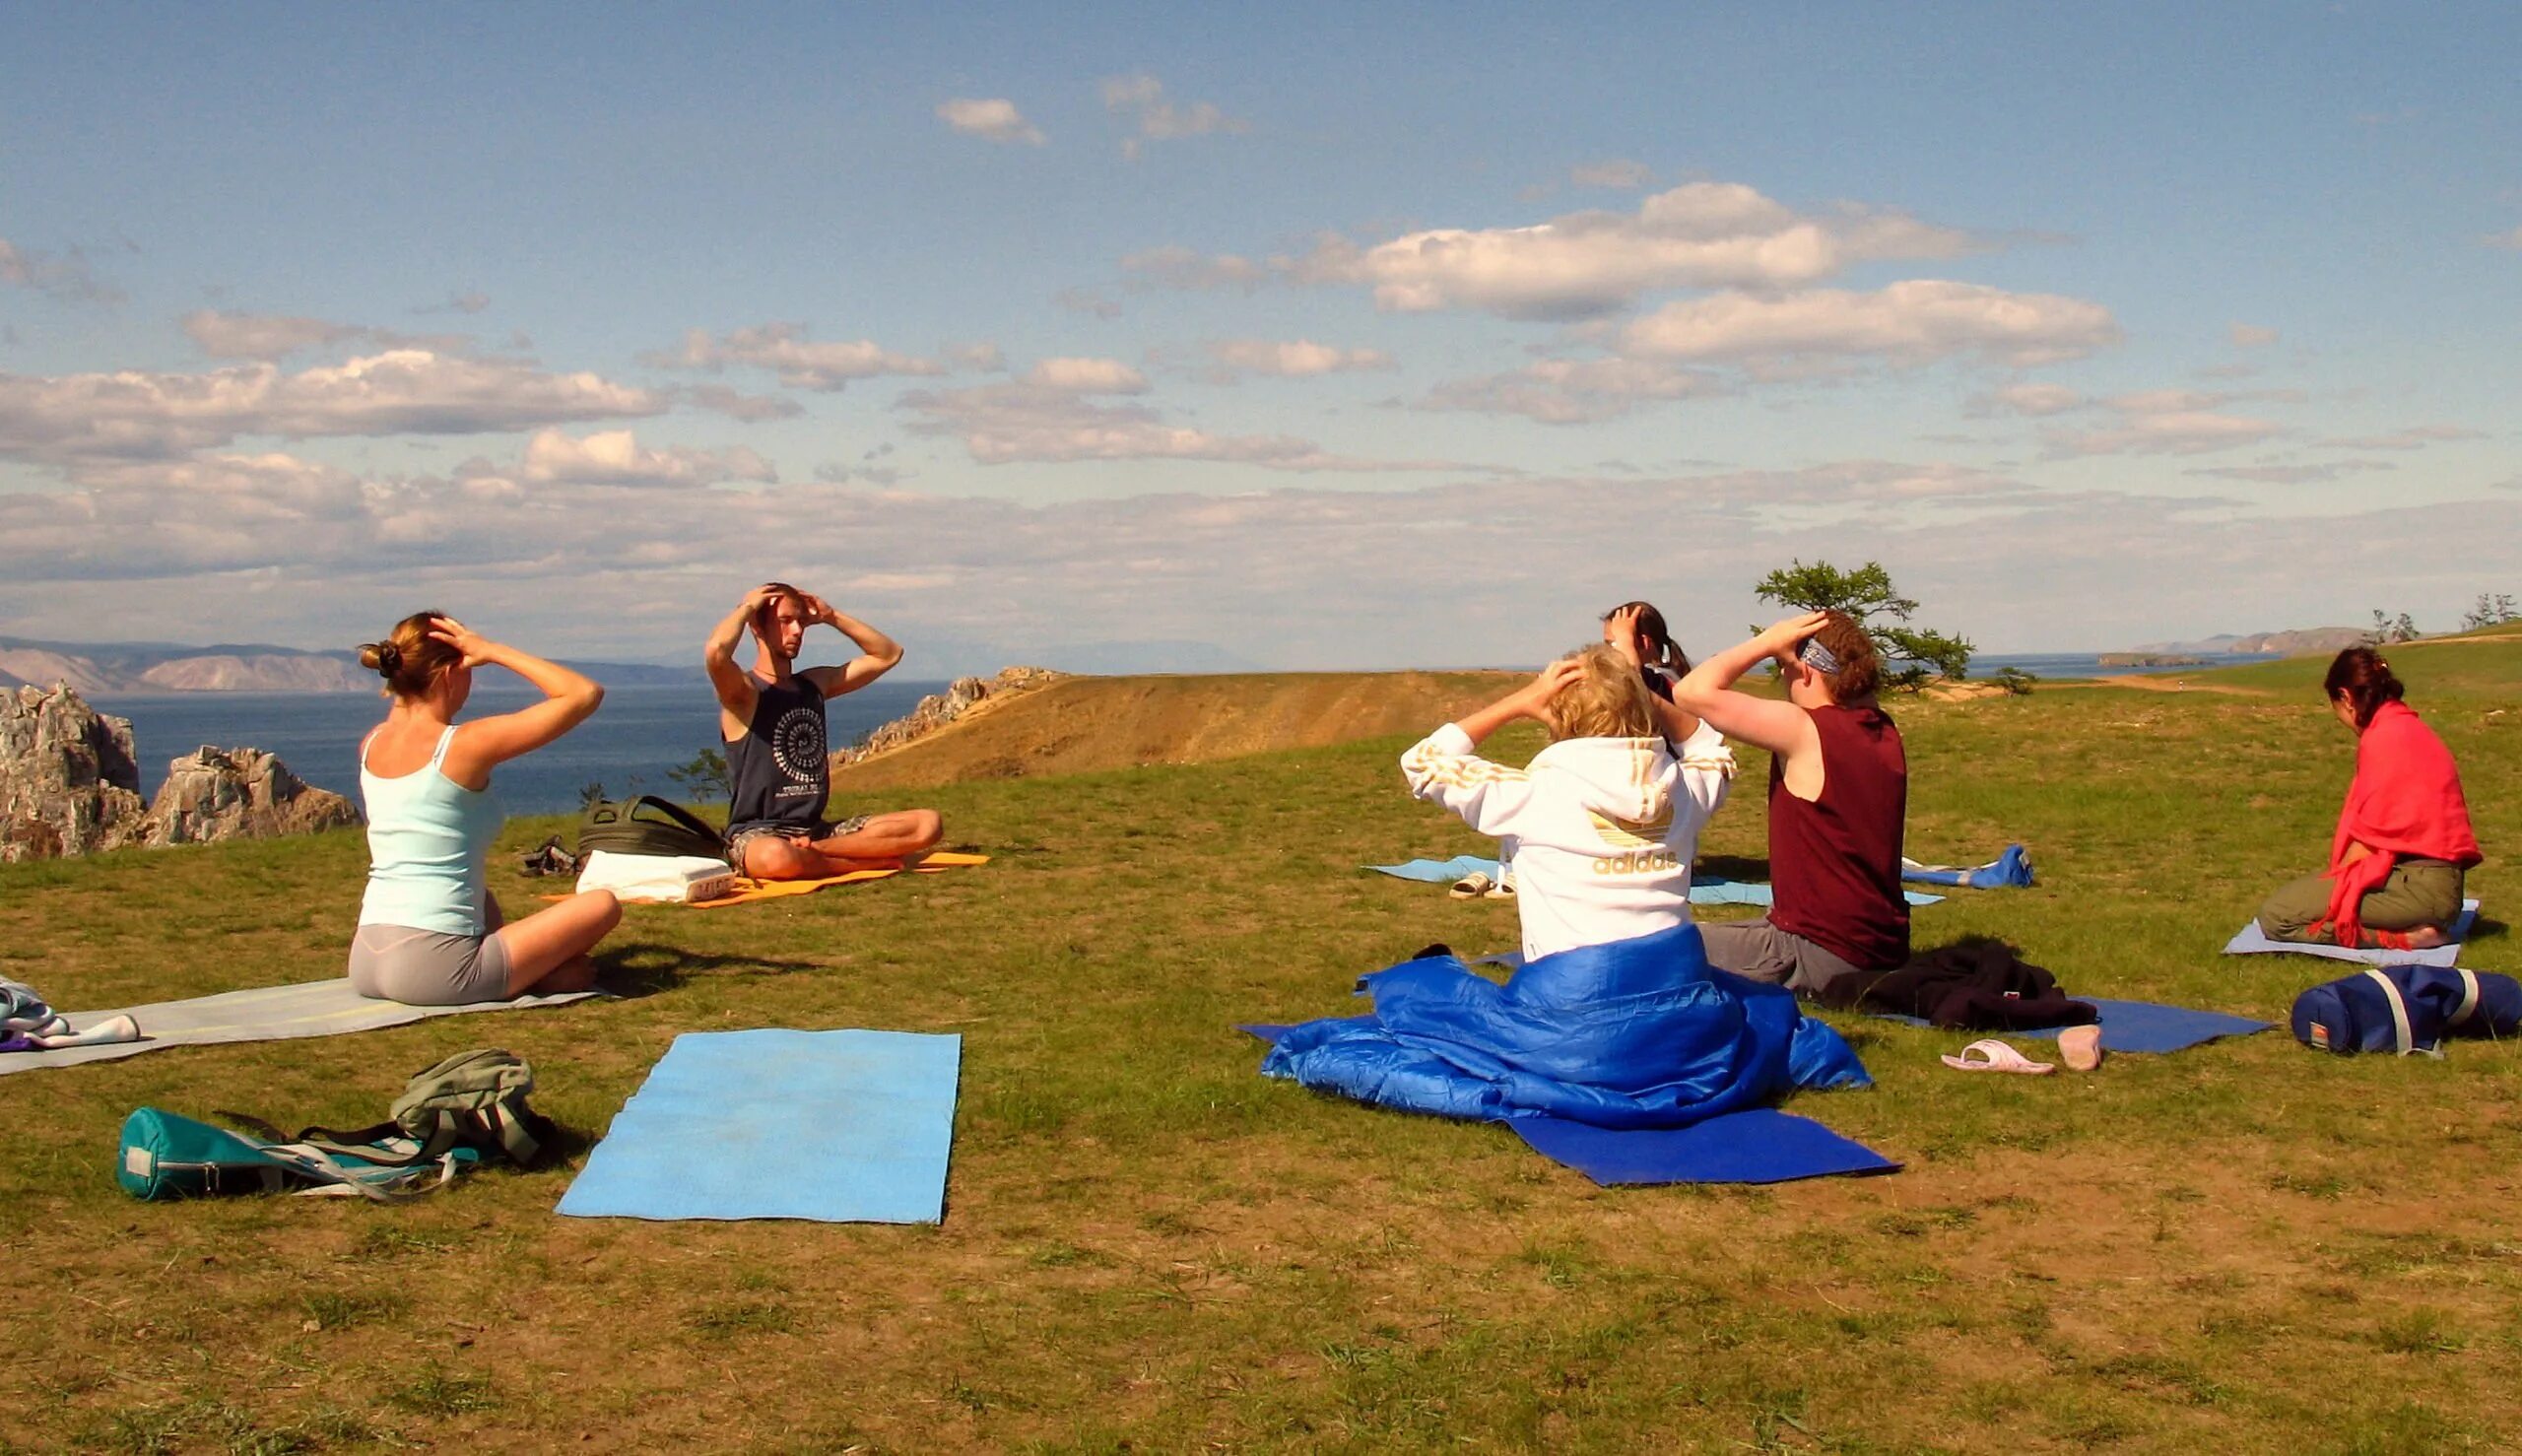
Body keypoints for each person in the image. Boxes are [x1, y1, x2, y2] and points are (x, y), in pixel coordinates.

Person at [348, 614, 621, 1005]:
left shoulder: (372, 743)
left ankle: (528, 970)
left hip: (367, 957)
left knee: (479, 889)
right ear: (448, 674)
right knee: (603, 904)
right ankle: (539, 976)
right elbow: (582, 694)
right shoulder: (460, 746)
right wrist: (491, 650)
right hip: (434, 968)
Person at [1401, 644, 1734, 961]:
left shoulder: (1534, 794)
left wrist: (1517, 702)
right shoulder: (1685, 792)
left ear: (1556, 716)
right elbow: (1711, 750)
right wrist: (1635, 692)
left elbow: (1422, 762)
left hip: (1569, 1003)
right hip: (1672, 991)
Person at [1672, 611, 1908, 999]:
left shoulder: (1806, 729)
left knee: (1645, 950)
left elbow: (1690, 693)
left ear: (1808, 671)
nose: (1783, 679)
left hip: (1814, 952)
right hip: (1877, 945)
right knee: (1674, 934)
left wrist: (1767, 640)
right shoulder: (1881, 728)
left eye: (1783, 667)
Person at [704, 582, 944, 880]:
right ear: (757, 627)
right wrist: (747, 608)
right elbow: (716, 653)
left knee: (927, 823)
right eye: (785, 621)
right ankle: (859, 862)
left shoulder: (813, 685)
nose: (796, 631)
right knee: (776, 857)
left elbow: (888, 654)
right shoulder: (745, 693)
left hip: (817, 830)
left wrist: (831, 616)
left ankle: (819, 851)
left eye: (801, 622)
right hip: (759, 834)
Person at [2255, 647, 2480, 949]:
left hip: (2418, 890)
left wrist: (2334, 886)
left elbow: (2368, 842)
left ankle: (2404, 937)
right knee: (2308, 897)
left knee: (2278, 915)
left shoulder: (2384, 739)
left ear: (2346, 698)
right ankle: (2414, 924)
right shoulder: (2407, 727)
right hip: (2432, 883)